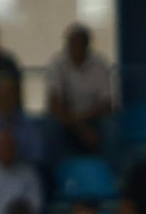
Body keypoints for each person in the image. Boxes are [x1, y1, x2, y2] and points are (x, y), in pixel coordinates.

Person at [46, 24, 115, 156]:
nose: (75, 48)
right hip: (66, 118)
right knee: (51, 126)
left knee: (111, 126)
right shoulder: (57, 64)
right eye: (72, 44)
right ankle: (54, 172)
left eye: (79, 44)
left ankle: (111, 171)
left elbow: (107, 104)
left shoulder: (100, 65)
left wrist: (81, 119)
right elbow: (55, 103)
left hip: (93, 117)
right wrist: (80, 127)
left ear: (87, 45)